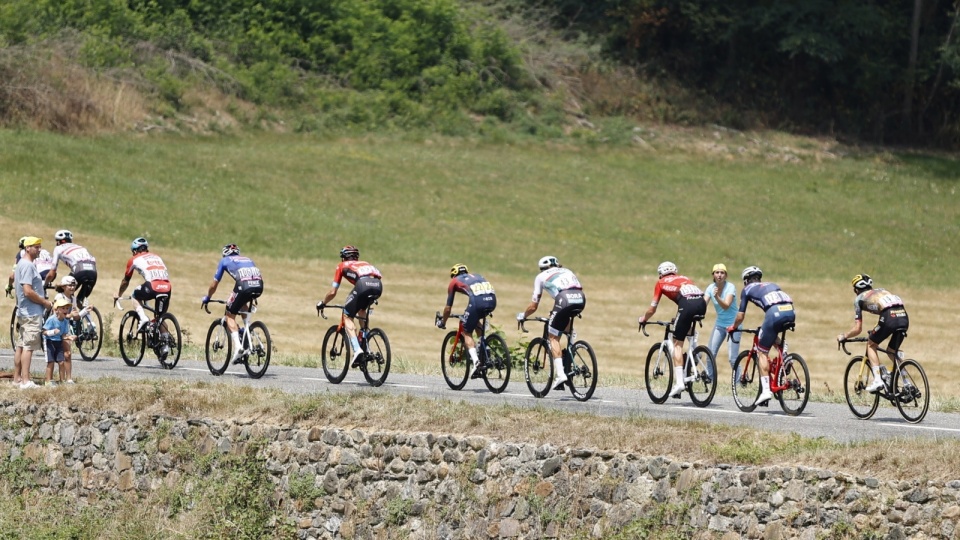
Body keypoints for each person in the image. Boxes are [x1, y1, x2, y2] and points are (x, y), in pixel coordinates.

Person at [727, 266, 796, 406]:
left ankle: (765, 391)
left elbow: (740, 316)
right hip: (790, 312)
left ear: (746, 280)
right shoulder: (772, 284)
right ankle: (784, 351)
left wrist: (733, 327)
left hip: (774, 314)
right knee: (769, 332)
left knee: (761, 352)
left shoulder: (746, 289)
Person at [638, 261, 707, 398]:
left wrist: (643, 318)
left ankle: (680, 383)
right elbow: (689, 297)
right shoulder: (685, 278)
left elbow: (652, 308)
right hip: (701, 304)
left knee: (677, 344)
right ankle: (694, 349)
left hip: (687, 306)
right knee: (684, 325)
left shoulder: (661, 283)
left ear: (660, 274)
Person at [517, 255, 585, 390]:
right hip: (580, 298)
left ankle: (560, 375)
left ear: (542, 268)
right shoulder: (567, 270)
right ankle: (570, 355)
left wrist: (523, 315)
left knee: (553, 336)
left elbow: (533, 306)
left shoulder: (540, 277)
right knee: (566, 326)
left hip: (564, 300)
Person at [837, 274, 909, 393]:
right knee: (892, 352)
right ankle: (907, 383)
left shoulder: (859, 298)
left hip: (889, 317)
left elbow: (858, 328)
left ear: (855, 289)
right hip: (903, 317)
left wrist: (844, 336)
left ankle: (877, 380)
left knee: (871, 344)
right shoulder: (882, 290)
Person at [316, 245, 383, 367]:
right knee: (361, 310)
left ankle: (357, 350)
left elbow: (332, 292)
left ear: (344, 258)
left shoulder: (341, 266)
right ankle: (366, 345)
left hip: (363, 285)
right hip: (378, 286)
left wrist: (323, 303)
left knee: (347, 316)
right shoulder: (364, 263)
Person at [201, 244, 264, 364]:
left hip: (244, 286)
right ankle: (247, 331)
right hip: (259, 286)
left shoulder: (224, 260)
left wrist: (208, 297)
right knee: (241, 303)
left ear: (225, 253)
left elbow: (214, 285)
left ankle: (238, 347)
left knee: (230, 315)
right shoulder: (248, 259)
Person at [436, 264, 497, 378]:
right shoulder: (477, 276)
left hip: (477, 303)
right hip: (492, 301)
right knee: (475, 321)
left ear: (453, 275)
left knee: (466, 332)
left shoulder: (454, 281)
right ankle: (485, 349)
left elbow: (448, 308)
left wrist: (443, 322)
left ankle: (476, 362)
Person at [114, 237, 173, 356]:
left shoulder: (134, 259)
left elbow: (126, 281)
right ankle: (165, 345)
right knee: (160, 317)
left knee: (135, 295)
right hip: (167, 287)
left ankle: (143, 317)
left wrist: (118, 294)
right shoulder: (157, 257)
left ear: (135, 251)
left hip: (152, 286)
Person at [13, 237, 53, 389]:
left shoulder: (20, 264)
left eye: (40, 246)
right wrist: (45, 302)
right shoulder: (28, 265)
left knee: (21, 345)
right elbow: (28, 291)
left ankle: (17, 379)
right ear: (28, 248)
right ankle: (25, 381)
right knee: (28, 346)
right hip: (31, 312)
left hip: (23, 310)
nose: (39, 249)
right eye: (37, 247)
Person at [704, 263, 740, 380]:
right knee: (710, 354)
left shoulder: (730, 287)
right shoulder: (710, 288)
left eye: (722, 273)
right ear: (713, 275)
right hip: (720, 324)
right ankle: (710, 380)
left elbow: (726, 306)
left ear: (726, 275)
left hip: (734, 325)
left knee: (732, 358)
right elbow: (703, 305)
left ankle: (738, 383)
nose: (719, 275)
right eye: (717, 272)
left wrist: (717, 296)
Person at [46, 229, 98, 308]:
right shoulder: (81, 247)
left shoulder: (58, 248)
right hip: (93, 272)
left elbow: (52, 272)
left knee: (63, 294)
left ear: (58, 242)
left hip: (79, 270)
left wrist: (46, 283)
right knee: (79, 302)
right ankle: (86, 318)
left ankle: (67, 316)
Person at [52, 275, 82, 383]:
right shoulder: (59, 297)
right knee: (57, 355)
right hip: (57, 327)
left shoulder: (73, 298)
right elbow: (55, 314)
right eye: (70, 285)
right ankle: (59, 378)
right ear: (64, 286)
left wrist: (81, 313)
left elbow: (76, 315)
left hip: (66, 328)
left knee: (67, 353)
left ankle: (68, 379)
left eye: (74, 285)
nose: (72, 287)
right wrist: (69, 315)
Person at [42, 297, 74, 386]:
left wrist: (69, 337)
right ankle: (48, 380)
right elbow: (43, 331)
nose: (65, 310)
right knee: (50, 362)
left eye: (67, 308)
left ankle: (62, 380)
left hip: (58, 342)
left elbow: (63, 335)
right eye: (63, 308)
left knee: (61, 362)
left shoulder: (65, 321)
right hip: (49, 342)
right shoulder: (51, 319)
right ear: (57, 310)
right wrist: (52, 332)